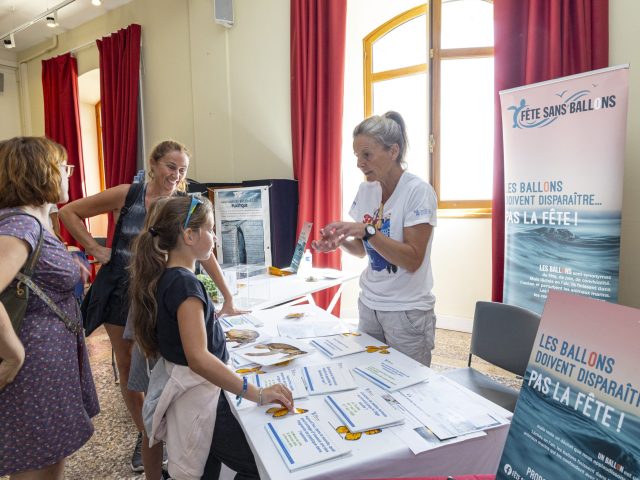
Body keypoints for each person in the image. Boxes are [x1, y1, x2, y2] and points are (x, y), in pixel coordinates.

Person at [59, 140, 241, 476]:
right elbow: (69, 211)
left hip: (158, 295)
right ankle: (146, 432)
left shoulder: (180, 207)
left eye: (182, 170)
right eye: (171, 166)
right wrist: (95, 250)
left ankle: (157, 429)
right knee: (129, 368)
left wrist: (228, 295)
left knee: (163, 367)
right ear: (154, 163)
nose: (176, 175)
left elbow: (206, 251)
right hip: (119, 291)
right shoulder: (129, 193)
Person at [129, 195, 293, 479]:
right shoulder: (184, 285)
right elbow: (199, 358)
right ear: (189, 235)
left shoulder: (170, 278)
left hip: (198, 397)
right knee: (260, 465)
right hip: (203, 400)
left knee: (207, 469)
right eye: (210, 229)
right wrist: (256, 393)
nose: (215, 237)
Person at [0, 137, 100, 478]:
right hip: (33, 366)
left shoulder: (30, 222)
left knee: (47, 456)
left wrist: (66, 263)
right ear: (39, 173)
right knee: (36, 463)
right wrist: (14, 353)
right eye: (64, 167)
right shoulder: (21, 225)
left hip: (48, 362)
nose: (68, 174)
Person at [312, 111, 438, 366]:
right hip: (370, 305)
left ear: (393, 151)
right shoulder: (366, 190)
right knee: (370, 379)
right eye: (357, 155)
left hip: (406, 311)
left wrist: (367, 231)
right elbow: (361, 249)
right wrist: (339, 242)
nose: (360, 162)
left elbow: (413, 259)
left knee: (408, 389)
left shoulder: (418, 192)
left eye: (367, 154)